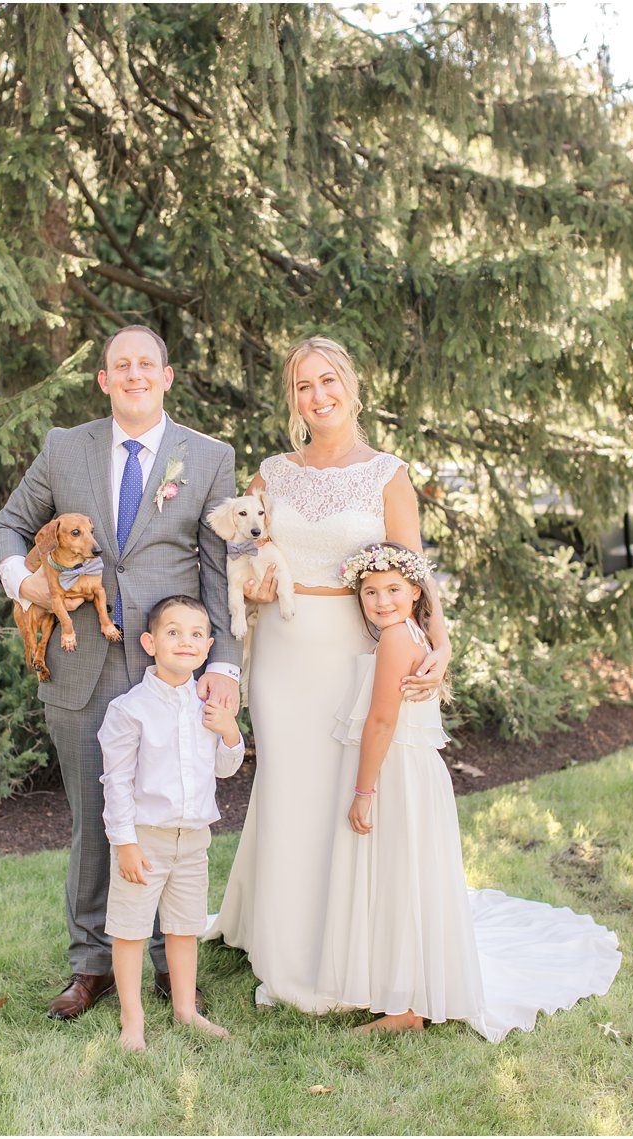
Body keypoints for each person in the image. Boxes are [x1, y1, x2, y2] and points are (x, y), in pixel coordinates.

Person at [0, 324, 241, 1021]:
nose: (133, 374)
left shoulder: (209, 457)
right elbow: (8, 528)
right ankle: (90, 963)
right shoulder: (64, 447)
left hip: (171, 669)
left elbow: (219, 569)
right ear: (103, 380)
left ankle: (166, 959)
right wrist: (25, 583)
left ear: (165, 375)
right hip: (81, 664)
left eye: (145, 364)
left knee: (173, 811)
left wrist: (225, 666)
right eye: (119, 365)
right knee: (94, 819)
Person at [207, 335, 451, 1011]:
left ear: (350, 384)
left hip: (354, 651)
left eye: (327, 380)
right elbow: (237, 548)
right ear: (292, 399)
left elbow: (413, 568)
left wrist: (442, 642)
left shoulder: (385, 474)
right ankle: (285, 949)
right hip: (283, 652)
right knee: (289, 788)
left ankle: (347, 945)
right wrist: (249, 587)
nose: (318, 395)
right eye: (303, 386)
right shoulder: (272, 473)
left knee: (346, 790)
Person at [314, 543, 620, 1039]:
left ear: (415, 592)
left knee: (401, 881)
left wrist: (363, 790)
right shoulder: (415, 632)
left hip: (396, 775)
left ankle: (405, 1008)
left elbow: (382, 719)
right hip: (412, 772)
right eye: (369, 592)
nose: (381, 600)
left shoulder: (396, 639)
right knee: (403, 879)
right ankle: (396, 987)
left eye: (393, 589)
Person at [98, 596, 243, 1052]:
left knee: (184, 928)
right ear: (150, 642)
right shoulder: (130, 709)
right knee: (132, 930)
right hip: (145, 839)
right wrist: (124, 843)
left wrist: (230, 731)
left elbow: (224, 769)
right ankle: (132, 1020)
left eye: (196, 634)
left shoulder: (209, 706)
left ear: (208, 647)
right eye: (173, 632)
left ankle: (185, 1009)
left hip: (193, 839)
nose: (186, 641)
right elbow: (116, 782)